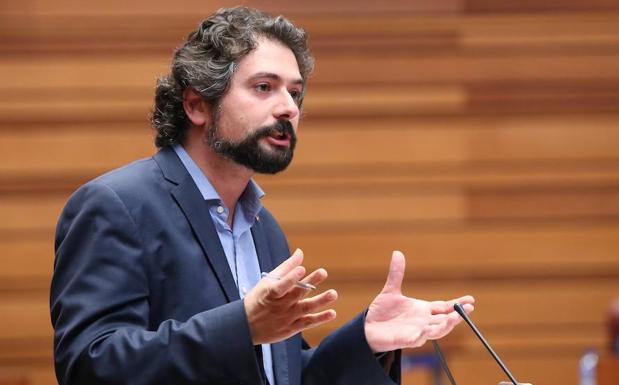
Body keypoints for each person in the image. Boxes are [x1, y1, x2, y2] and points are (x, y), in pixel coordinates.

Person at [50, 6, 475, 385]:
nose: (289, 107)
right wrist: (242, 326)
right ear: (197, 105)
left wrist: (367, 340)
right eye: (264, 87)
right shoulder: (117, 205)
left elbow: (280, 374)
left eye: (296, 92)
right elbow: (91, 366)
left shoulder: (263, 228)